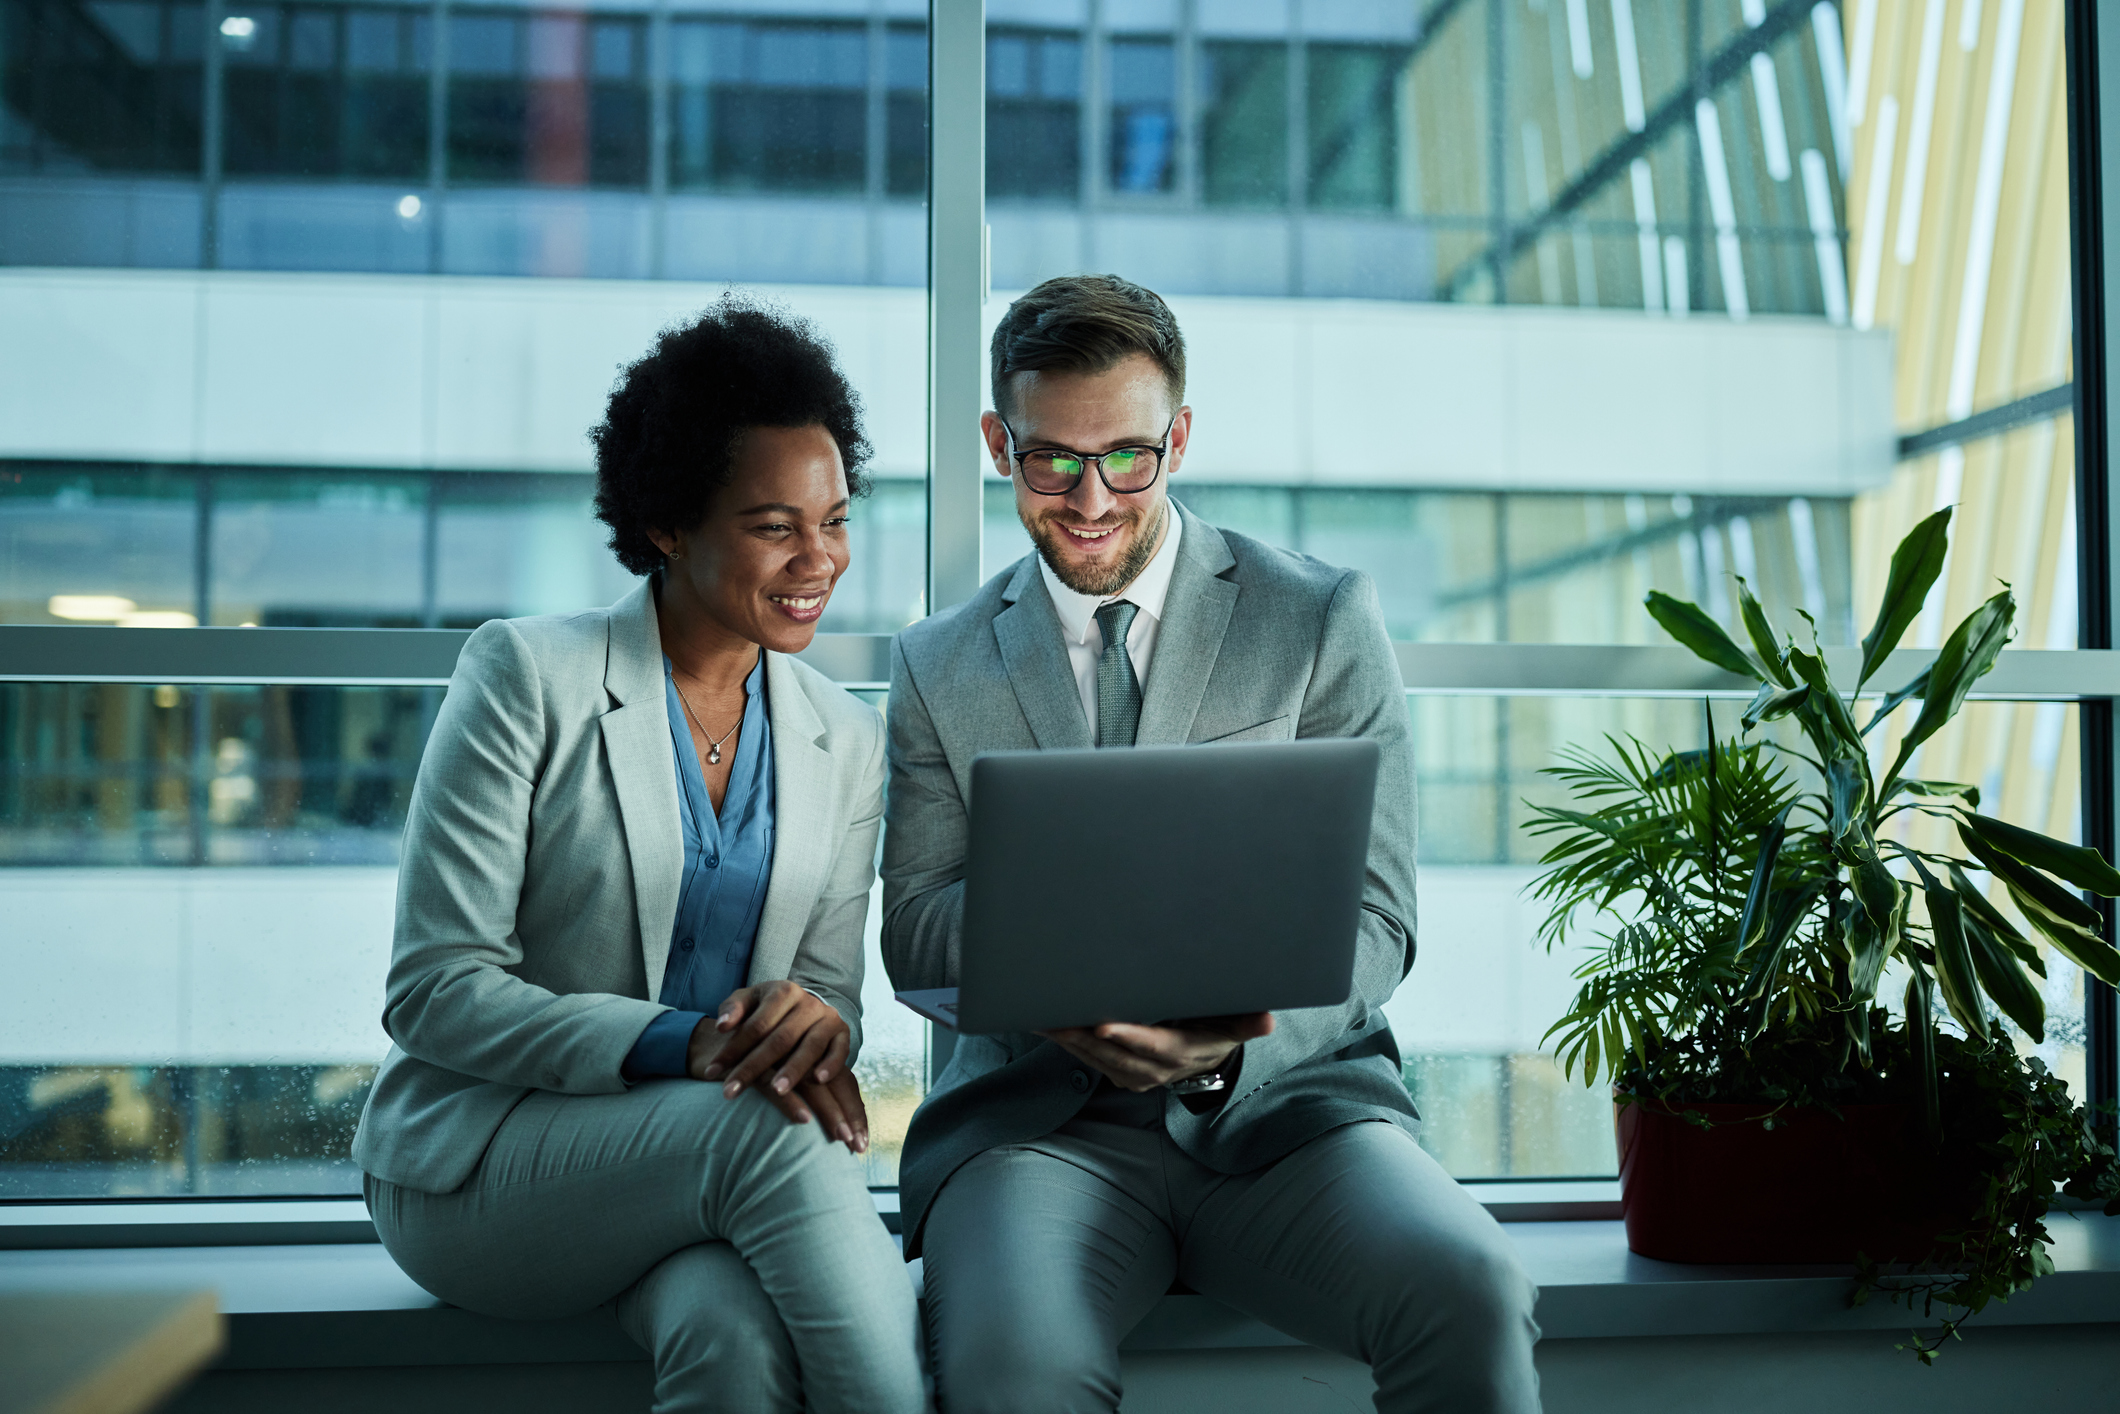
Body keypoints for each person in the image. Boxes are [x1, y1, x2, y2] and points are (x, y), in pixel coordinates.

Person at [881, 274, 1540, 1413]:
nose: (1091, 498)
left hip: (1289, 1113)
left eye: (1128, 456)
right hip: (1038, 1129)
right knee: (1010, 1374)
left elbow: (1377, 923)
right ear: (999, 443)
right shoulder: (938, 664)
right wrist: (1062, 990)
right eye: (1053, 460)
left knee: (1472, 1288)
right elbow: (912, 933)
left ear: (1178, 437)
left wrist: (1224, 1051)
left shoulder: (1317, 616)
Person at [352, 297, 927, 1414]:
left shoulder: (846, 738)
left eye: (836, 519)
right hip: (483, 1160)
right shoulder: (526, 675)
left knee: (735, 1347)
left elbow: (828, 1005)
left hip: (682, 1175)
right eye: (774, 525)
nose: (820, 560)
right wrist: (683, 1043)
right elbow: (433, 993)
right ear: (668, 522)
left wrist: (819, 1022)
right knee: (770, 1129)